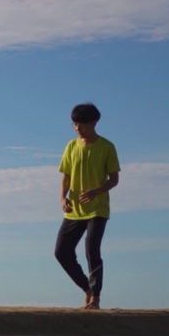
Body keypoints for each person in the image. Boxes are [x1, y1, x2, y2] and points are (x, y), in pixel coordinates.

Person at [56, 102, 120, 310]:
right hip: (74, 210)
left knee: (91, 250)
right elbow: (66, 176)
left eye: (81, 124)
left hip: (97, 209)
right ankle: (87, 288)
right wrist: (62, 198)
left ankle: (95, 299)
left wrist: (96, 191)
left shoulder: (106, 147)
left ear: (93, 122)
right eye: (74, 124)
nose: (77, 128)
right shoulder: (71, 146)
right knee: (62, 252)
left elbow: (114, 179)